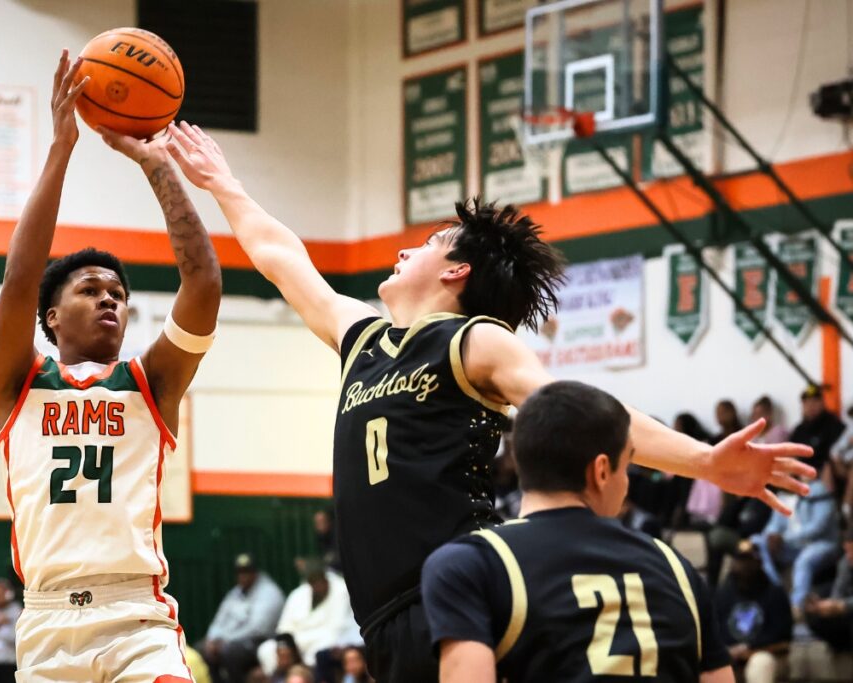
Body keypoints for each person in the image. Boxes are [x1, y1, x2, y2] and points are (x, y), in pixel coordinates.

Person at [164, 120, 813, 682]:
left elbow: (587, 413)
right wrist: (223, 183)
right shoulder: (362, 336)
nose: (401, 249)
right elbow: (282, 258)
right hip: (387, 612)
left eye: (424, 244)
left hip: (463, 587)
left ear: (456, 272)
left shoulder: (475, 340)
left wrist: (707, 462)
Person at [0, 53, 221, 680]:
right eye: (90, 289)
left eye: (117, 292)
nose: (110, 298)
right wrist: (61, 149)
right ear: (52, 318)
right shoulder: (18, 383)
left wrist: (154, 161)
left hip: (137, 618)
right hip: (46, 623)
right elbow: (18, 279)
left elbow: (202, 282)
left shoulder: (150, 383)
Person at [419, 381, 732, 682]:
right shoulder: (678, 569)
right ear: (600, 472)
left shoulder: (469, 564)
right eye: (625, 467)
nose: (627, 483)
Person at [750, 472, 840, 610]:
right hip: (792, 546)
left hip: (820, 544)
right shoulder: (782, 497)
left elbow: (817, 528)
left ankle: (796, 607)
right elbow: (774, 525)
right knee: (756, 541)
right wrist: (771, 535)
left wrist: (784, 538)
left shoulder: (818, 490)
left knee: (804, 560)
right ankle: (777, 589)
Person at [258, 560, 360, 673]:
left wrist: (300, 641)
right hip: (296, 641)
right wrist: (288, 645)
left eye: (320, 581)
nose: (317, 586)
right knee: (265, 649)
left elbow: (335, 629)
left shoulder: (340, 591)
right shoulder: (297, 595)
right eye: (313, 582)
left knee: (322, 647)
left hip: (322, 640)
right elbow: (283, 628)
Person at [715, 541, 793, 683]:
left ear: (759, 563)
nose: (744, 567)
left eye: (748, 561)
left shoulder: (775, 593)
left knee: (760, 663)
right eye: (740, 561)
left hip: (768, 656)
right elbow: (714, 635)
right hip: (731, 657)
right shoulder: (723, 594)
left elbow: (784, 643)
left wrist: (750, 652)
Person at [202, 554, 286, 683]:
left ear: (255, 572)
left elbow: (257, 629)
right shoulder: (235, 593)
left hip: (259, 642)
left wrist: (225, 640)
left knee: (230, 652)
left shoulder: (269, 592)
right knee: (203, 649)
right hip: (230, 640)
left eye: (247, 572)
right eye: (239, 572)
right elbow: (219, 619)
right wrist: (212, 639)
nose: (243, 576)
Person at [804, 526, 853, 652]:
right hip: (847, 607)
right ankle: (841, 646)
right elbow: (838, 593)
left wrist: (843, 605)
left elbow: (843, 604)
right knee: (815, 614)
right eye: (847, 551)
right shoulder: (846, 563)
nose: (849, 556)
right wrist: (826, 606)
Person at [789, 384, 844, 472]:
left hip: (825, 475)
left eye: (815, 401)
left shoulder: (833, 425)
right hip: (801, 474)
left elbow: (837, 455)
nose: (811, 406)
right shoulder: (799, 430)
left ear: (822, 403)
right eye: (807, 402)